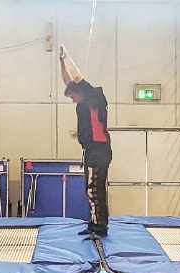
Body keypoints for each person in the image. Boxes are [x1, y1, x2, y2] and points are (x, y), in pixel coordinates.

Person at [59, 45, 111, 239]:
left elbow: (77, 76)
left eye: (73, 96)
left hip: (99, 150)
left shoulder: (94, 98)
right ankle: (95, 223)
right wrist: (61, 63)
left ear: (81, 93)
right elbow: (68, 81)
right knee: (92, 188)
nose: (73, 100)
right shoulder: (83, 103)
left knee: (93, 189)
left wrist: (67, 56)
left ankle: (100, 228)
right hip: (92, 150)